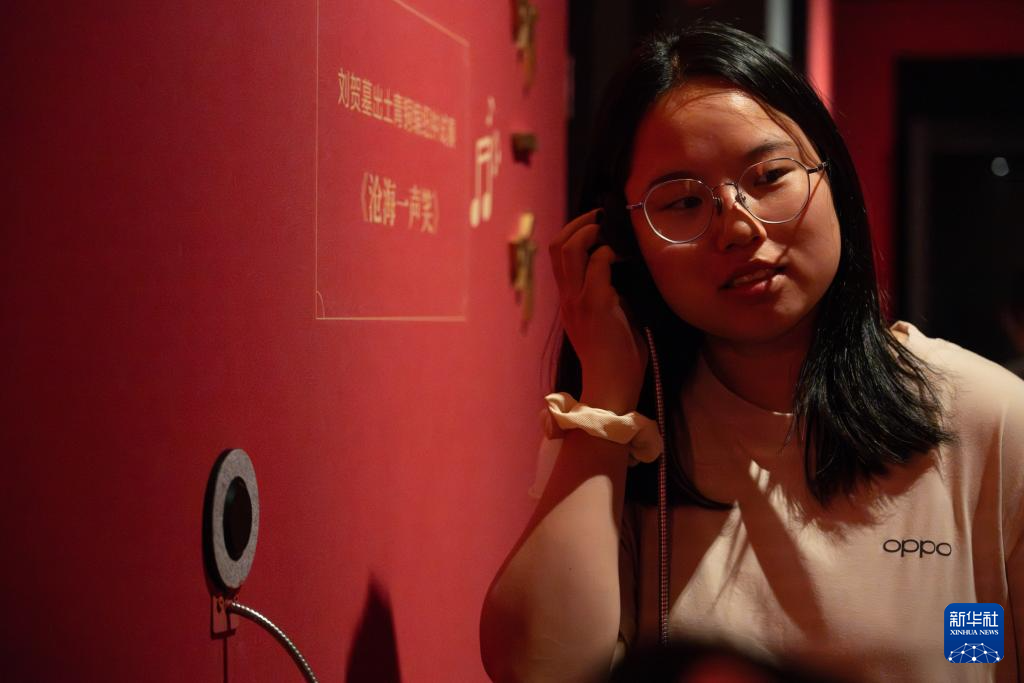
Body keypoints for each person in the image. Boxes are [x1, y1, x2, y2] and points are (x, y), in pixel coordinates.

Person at [479, 21, 1024, 683]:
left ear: (830, 177)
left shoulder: (986, 417)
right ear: (622, 241)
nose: (738, 226)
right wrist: (608, 399)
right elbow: (543, 671)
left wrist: (972, 651)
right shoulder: (624, 437)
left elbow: (981, 650)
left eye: (769, 175)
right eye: (683, 201)